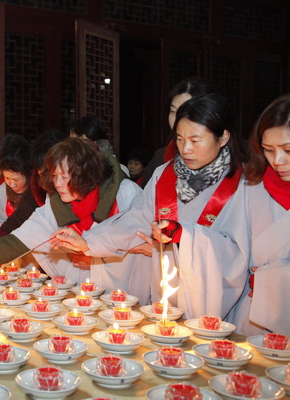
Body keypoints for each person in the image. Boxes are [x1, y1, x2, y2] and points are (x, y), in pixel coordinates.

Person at [50, 93, 250, 319]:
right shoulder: (164, 175)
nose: (185, 149)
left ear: (223, 137)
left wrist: (186, 236)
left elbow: (239, 253)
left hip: (218, 299)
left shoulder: (245, 184)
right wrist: (89, 242)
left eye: (195, 140)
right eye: (180, 139)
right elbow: (134, 221)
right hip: (167, 285)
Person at [0, 137, 150, 301]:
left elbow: (147, 243)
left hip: (130, 287)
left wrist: (96, 253)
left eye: (65, 176)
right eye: (54, 176)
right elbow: (16, 240)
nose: (57, 184)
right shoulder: (56, 203)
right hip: (89, 290)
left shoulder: (126, 193)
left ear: (86, 174)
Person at [227, 94, 290, 335]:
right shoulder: (253, 186)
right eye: (269, 150)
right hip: (256, 314)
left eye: (287, 149)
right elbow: (229, 246)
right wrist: (186, 236)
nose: (278, 161)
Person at [141, 77, 216, 186]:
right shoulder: (160, 158)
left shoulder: (242, 158)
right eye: (173, 111)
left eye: (186, 112)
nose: (177, 119)